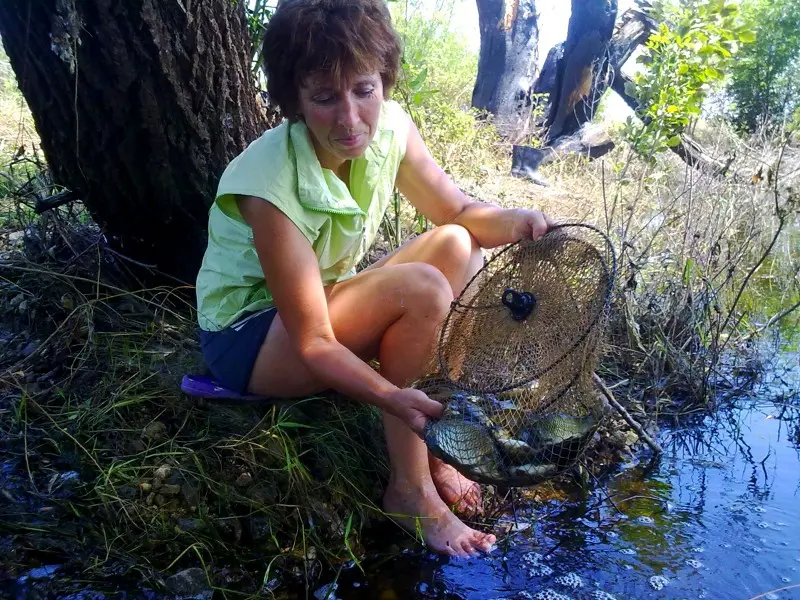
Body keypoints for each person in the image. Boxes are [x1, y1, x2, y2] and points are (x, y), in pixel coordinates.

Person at [195, 0, 554, 557]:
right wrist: (391, 396)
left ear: (382, 79)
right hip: (252, 340)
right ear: (293, 101)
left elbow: (457, 212)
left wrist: (518, 221)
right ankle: (409, 489)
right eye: (323, 97)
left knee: (459, 244)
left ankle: (437, 445)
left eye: (364, 89)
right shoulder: (266, 183)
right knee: (423, 289)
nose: (350, 119)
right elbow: (313, 340)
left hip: (323, 304)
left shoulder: (391, 129)